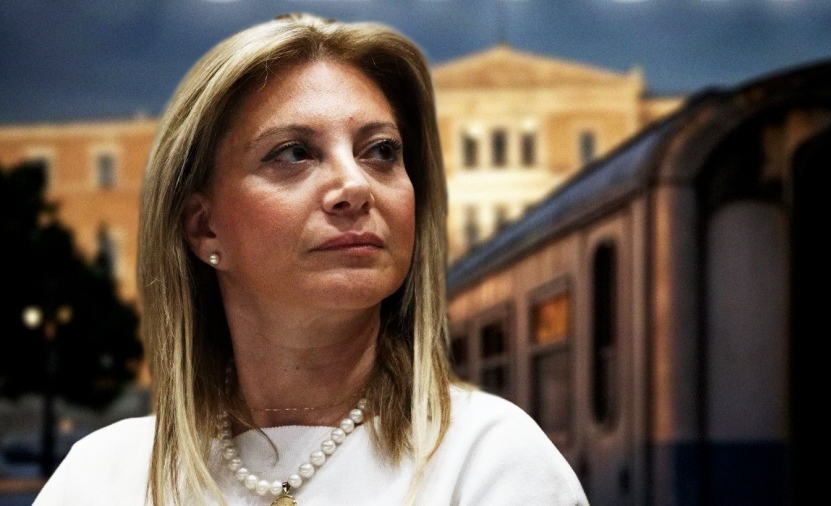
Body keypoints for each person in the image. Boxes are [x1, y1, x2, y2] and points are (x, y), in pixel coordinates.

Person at [33, 12, 588, 506]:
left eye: (381, 151)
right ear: (204, 227)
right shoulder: (101, 479)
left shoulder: (493, 460)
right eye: (294, 153)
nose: (355, 185)